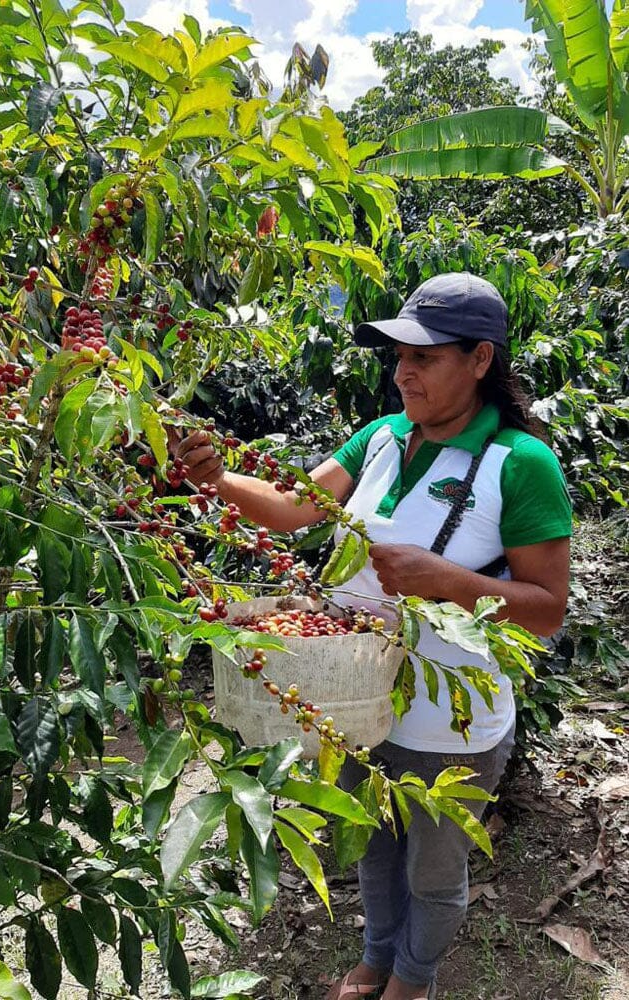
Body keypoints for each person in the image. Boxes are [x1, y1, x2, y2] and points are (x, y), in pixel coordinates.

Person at [173, 272, 572, 1000]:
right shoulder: (382, 436)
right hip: (358, 696)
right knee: (373, 845)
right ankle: (375, 956)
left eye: (424, 358)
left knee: (432, 864)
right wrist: (220, 480)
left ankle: (412, 980)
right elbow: (294, 510)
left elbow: (547, 608)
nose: (402, 373)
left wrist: (444, 578)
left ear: (481, 359)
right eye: (398, 356)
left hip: (450, 716)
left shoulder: (521, 463)